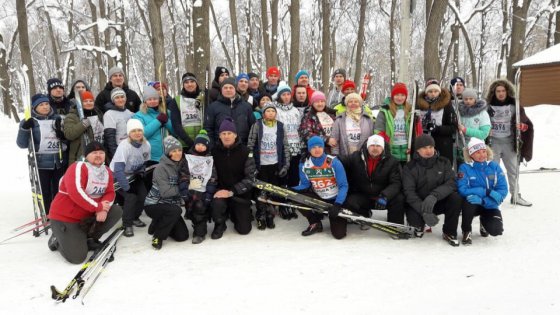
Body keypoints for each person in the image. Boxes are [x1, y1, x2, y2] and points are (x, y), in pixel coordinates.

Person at [47, 142, 122, 264]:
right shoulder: (77, 167)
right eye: (94, 153)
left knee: (116, 211)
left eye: (101, 153)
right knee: (77, 258)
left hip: (86, 217)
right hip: (66, 218)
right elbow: (76, 192)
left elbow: (110, 192)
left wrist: (103, 209)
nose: (98, 155)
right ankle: (57, 239)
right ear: (86, 155)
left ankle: (88, 238)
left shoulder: (106, 171)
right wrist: (98, 207)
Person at [402, 134, 462, 246]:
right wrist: (424, 211)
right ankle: (420, 224)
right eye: (424, 148)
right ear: (418, 150)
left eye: (430, 147)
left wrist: (434, 196)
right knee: (416, 223)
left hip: (437, 201)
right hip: (418, 204)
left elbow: (451, 183)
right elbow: (409, 193)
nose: (428, 150)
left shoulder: (444, 162)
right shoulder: (409, 167)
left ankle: (449, 232)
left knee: (455, 198)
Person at [486, 79, 533, 206]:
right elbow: (481, 121)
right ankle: (492, 195)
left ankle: (516, 195)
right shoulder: (487, 106)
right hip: (493, 143)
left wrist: (522, 126)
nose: (501, 93)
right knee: (492, 171)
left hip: (509, 143)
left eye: (503, 91)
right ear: (493, 92)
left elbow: (526, 123)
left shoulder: (515, 106)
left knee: (513, 170)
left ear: (507, 92)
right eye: (498, 91)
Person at [17, 94, 66, 215]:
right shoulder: (30, 121)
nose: (45, 107)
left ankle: (58, 213)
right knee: (45, 191)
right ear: (35, 107)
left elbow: (67, 140)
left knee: (59, 190)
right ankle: (47, 213)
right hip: (41, 163)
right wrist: (24, 129)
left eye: (47, 104)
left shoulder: (58, 118)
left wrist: (62, 134)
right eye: (41, 105)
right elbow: (21, 144)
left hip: (58, 162)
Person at [292, 136, 349, 239]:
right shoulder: (304, 163)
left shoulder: (334, 162)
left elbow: (343, 185)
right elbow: (305, 185)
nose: (317, 149)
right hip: (319, 197)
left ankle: (342, 217)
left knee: (339, 234)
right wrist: (291, 190)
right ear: (309, 149)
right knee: (296, 197)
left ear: (323, 147)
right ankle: (315, 222)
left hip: (335, 199)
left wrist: (338, 204)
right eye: (313, 147)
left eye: (319, 146)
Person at [342, 134, 405, 226]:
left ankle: (395, 225)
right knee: (350, 201)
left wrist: (385, 196)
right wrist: (330, 159)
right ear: (367, 146)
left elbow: (396, 183)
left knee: (399, 199)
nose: (375, 148)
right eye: (372, 145)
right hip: (363, 195)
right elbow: (342, 160)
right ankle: (364, 215)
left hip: (382, 197)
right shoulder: (356, 157)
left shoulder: (392, 162)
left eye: (378, 146)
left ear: (383, 147)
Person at [211, 118, 256, 239]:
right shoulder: (213, 152)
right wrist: (216, 190)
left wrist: (232, 192)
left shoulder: (246, 152)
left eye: (229, 133)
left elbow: (250, 179)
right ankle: (220, 223)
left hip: (239, 194)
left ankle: (237, 213)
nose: (226, 136)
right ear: (219, 136)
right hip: (221, 191)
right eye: (223, 134)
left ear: (235, 135)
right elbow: (211, 176)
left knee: (244, 230)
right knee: (217, 203)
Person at [247, 102, 290, 230]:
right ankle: (261, 214)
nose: (270, 113)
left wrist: (286, 165)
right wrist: (251, 165)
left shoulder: (280, 126)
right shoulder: (257, 125)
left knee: (273, 190)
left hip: (275, 164)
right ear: (263, 113)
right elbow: (250, 144)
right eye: (268, 111)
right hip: (261, 165)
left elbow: (285, 146)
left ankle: (270, 214)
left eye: (273, 111)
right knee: (261, 191)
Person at [457, 138, 507, 245]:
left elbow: (502, 190)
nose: (482, 155)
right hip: (473, 204)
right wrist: (486, 191)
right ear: (471, 155)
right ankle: (466, 231)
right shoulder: (464, 167)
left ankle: (484, 224)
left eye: (483, 151)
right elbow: (462, 189)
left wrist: (484, 201)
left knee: (496, 230)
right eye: (477, 152)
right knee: (468, 201)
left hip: (489, 204)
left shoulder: (494, 166)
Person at [144, 136, 189, 250]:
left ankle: (158, 222)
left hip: (171, 206)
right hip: (154, 204)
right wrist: (185, 187)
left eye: (179, 150)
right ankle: (157, 237)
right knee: (176, 210)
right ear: (168, 153)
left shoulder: (182, 164)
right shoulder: (160, 168)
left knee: (182, 236)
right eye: (174, 151)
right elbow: (165, 192)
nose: (178, 153)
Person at [110, 119, 151, 237]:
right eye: (134, 131)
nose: (137, 133)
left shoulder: (146, 145)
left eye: (139, 130)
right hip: (118, 176)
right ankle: (127, 224)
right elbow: (118, 169)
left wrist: (141, 171)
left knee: (143, 195)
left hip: (133, 174)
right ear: (129, 133)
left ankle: (134, 217)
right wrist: (127, 187)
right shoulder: (124, 146)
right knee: (131, 196)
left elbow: (145, 162)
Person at [179, 130, 217, 244]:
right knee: (191, 208)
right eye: (198, 144)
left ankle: (200, 233)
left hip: (204, 190)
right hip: (191, 189)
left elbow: (213, 177)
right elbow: (183, 175)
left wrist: (210, 193)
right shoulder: (188, 159)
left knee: (200, 208)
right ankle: (195, 224)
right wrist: (184, 189)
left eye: (203, 145)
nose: (200, 147)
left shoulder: (210, 160)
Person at [204, 77, 255, 145]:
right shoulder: (213, 107)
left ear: (235, 89)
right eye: (225, 88)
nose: (228, 90)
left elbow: (253, 128)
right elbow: (208, 129)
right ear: (221, 90)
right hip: (220, 148)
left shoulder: (246, 107)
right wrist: (212, 147)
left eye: (231, 87)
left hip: (242, 147)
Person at [416, 78, 457, 163]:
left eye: (436, 91)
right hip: (424, 144)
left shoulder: (446, 105)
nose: (433, 94)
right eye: (430, 92)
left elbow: (453, 127)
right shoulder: (419, 105)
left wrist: (437, 128)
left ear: (439, 92)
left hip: (442, 145)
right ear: (426, 93)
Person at [374, 82, 413, 164]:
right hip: (391, 150)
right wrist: (386, 145)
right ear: (392, 96)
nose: (399, 98)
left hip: (407, 151)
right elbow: (378, 130)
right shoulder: (385, 110)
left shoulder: (411, 111)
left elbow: (416, 131)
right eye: (397, 95)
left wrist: (414, 145)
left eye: (402, 95)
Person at [64, 91, 105, 164]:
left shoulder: (99, 115)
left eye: (91, 101)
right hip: (80, 156)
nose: (88, 103)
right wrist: (83, 124)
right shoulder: (71, 116)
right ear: (79, 103)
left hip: (98, 155)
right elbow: (69, 134)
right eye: (85, 101)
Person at [331, 93, 374, 157]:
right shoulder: (340, 119)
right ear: (346, 104)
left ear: (360, 103)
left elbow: (371, 138)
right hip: (345, 155)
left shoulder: (367, 119)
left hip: (363, 155)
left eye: (356, 101)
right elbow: (335, 140)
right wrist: (335, 156)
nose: (353, 103)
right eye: (350, 101)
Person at [169, 72, 204, 150]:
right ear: (183, 85)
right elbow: (176, 124)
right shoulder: (177, 100)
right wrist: (190, 142)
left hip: (203, 142)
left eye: (192, 81)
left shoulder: (204, 98)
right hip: (185, 144)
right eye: (186, 82)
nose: (189, 84)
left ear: (196, 83)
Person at [456, 88, 491, 166]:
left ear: (475, 99)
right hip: (461, 147)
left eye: (471, 99)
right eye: (466, 99)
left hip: (477, 148)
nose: (468, 101)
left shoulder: (482, 113)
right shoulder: (458, 112)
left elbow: (484, 133)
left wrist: (466, 130)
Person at [103, 87, 134, 161]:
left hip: (131, 148)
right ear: (113, 100)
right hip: (118, 149)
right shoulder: (109, 114)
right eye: (117, 98)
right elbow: (110, 137)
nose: (120, 100)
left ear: (125, 98)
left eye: (122, 97)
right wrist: (116, 155)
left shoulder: (129, 113)